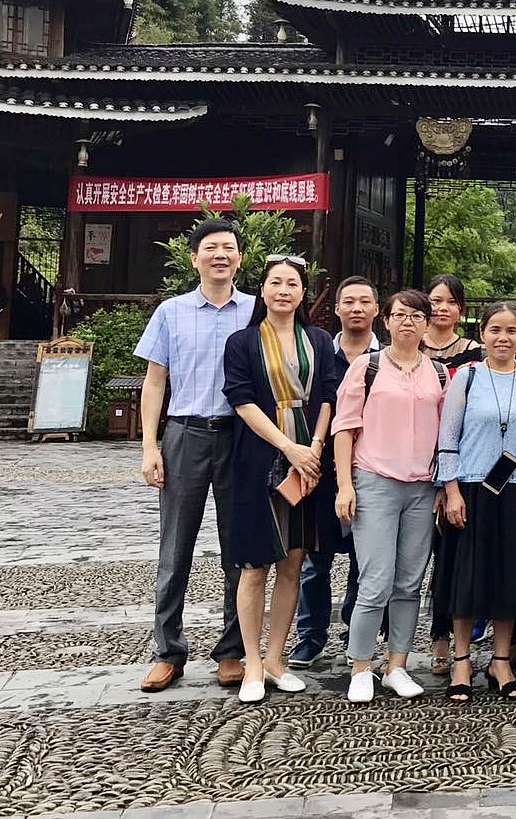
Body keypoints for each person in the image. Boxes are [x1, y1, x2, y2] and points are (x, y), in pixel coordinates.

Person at [135, 218, 254, 693]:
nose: (219, 255)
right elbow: (154, 382)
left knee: (238, 548)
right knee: (174, 548)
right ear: (194, 258)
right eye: (210, 248)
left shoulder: (257, 310)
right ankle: (168, 651)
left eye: (228, 248)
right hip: (184, 435)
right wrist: (150, 445)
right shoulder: (171, 311)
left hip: (239, 438)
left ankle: (231, 651)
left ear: (240, 258)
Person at [222, 255, 338, 703]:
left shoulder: (319, 340)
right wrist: (289, 448)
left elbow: (327, 395)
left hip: (310, 462)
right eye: (276, 283)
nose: (284, 290)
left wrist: (315, 449)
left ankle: (275, 658)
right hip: (260, 459)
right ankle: (252, 662)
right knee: (255, 566)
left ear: (303, 292)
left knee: (293, 562)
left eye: (292, 283)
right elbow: (242, 401)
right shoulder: (243, 341)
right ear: (263, 290)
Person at [434, 302, 516, 703]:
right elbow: (447, 437)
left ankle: (502, 660)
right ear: (482, 334)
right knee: (466, 576)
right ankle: (462, 660)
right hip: (472, 488)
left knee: (510, 578)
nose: (503, 338)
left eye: (511, 331)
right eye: (495, 330)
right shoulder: (466, 378)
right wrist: (451, 490)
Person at [331, 289, 447, 704]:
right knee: (375, 579)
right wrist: (344, 484)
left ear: (426, 323)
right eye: (400, 315)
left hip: (422, 486)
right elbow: (344, 428)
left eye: (416, 316)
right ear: (387, 320)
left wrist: (442, 486)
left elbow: (446, 435)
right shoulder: (367, 367)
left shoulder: (439, 373)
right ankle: (360, 665)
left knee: (409, 581)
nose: (407, 323)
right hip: (375, 480)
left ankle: (397, 663)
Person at [290, 275, 380, 670]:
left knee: (365, 558)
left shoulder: (386, 359)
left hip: (372, 467)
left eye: (365, 301)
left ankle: (354, 633)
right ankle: (310, 636)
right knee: (315, 557)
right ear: (338, 308)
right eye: (350, 301)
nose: (357, 308)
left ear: (377, 310)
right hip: (322, 466)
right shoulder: (317, 353)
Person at [422, 272, 484, 667]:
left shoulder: (476, 354)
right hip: (412, 460)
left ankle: (444, 636)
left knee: (451, 555)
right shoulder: (409, 347)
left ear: (460, 309)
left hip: (460, 463)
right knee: (410, 558)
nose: (442, 308)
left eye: (450, 301)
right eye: (435, 301)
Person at [423, 273, 484, 372]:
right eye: (437, 301)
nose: (444, 308)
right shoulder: (412, 344)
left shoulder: (470, 349)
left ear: (461, 308)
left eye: (452, 302)